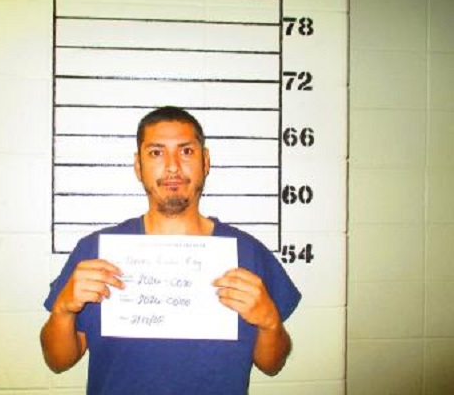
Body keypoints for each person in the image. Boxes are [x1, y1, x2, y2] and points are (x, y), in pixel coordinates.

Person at [41, 106, 301, 395]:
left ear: (205, 161)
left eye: (186, 151)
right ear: (138, 166)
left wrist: (270, 323)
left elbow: (272, 365)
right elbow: (58, 361)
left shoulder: (248, 253)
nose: (173, 166)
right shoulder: (95, 251)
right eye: (156, 153)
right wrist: (62, 310)